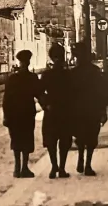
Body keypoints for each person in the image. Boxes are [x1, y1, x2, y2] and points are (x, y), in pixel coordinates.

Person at [2, 49, 44, 178]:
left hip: (15, 114)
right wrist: (47, 105)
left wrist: (6, 116)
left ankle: (17, 168)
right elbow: (39, 94)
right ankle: (24, 168)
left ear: (19, 62)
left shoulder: (12, 78)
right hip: (26, 113)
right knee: (26, 140)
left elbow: (6, 99)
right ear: (28, 62)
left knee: (16, 140)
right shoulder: (32, 78)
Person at [70, 42, 108, 176]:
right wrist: (103, 110)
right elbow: (103, 92)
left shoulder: (72, 73)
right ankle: (87, 165)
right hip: (92, 109)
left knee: (80, 136)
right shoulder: (95, 72)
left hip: (78, 110)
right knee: (91, 137)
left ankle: (81, 159)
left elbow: (68, 94)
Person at [39, 43, 73, 179]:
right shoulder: (67, 74)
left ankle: (57, 167)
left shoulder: (48, 74)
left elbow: (40, 93)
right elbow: (40, 92)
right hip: (61, 111)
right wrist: (46, 105)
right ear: (53, 58)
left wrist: (46, 105)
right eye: (56, 57)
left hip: (54, 111)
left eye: (59, 56)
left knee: (55, 141)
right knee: (58, 141)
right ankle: (58, 168)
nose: (58, 59)